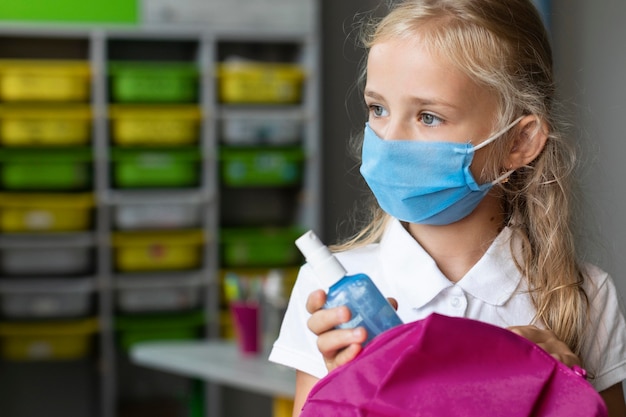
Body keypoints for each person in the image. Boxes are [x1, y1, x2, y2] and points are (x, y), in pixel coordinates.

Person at [268, 1, 626, 416]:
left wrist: (565, 385)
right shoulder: (330, 290)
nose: (390, 139)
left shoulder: (584, 296)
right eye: (378, 109)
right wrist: (345, 386)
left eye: (429, 116)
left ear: (519, 142)